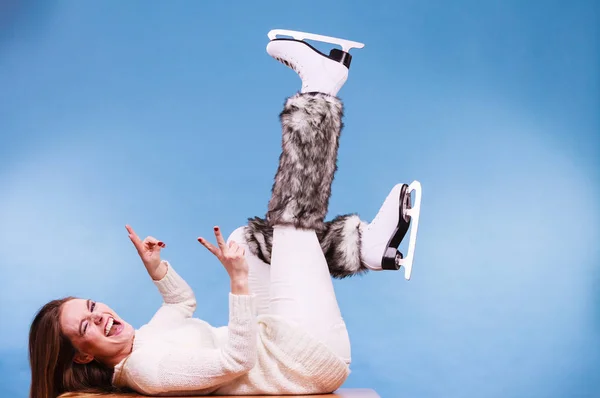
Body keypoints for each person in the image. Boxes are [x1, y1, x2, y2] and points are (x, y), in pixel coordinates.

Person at [28, 35, 414, 398]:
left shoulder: (144, 339)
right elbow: (236, 360)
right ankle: (320, 88)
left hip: (277, 344)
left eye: (93, 308)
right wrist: (239, 283)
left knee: (243, 241)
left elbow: (180, 306)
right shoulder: (146, 370)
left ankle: (366, 248)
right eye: (86, 326)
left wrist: (157, 270)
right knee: (290, 221)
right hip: (304, 361)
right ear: (82, 355)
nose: (101, 319)